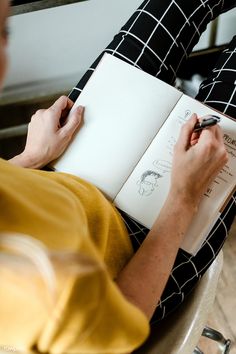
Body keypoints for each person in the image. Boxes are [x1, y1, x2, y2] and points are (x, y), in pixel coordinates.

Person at [0, 0, 235, 353]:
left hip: (64, 181)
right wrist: (183, 195)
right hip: (135, 260)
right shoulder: (36, 290)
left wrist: (29, 158)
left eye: (5, 32)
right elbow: (126, 313)